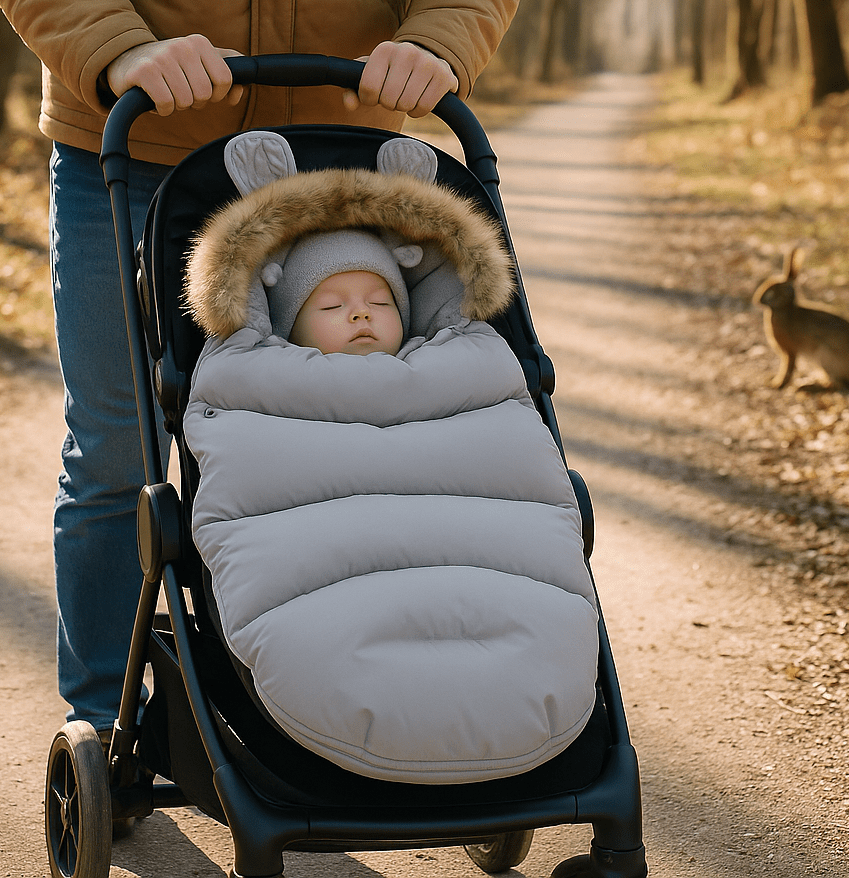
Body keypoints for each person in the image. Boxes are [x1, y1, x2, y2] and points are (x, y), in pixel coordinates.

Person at [0, 0, 541, 738]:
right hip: (134, 137)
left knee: (359, 443)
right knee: (123, 446)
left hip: (338, 148)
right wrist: (119, 46)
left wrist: (440, 38)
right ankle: (111, 720)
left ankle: (329, 712)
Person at [180, 133, 600, 784]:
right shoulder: (255, 384)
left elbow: (517, 480)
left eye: (379, 301)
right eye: (331, 304)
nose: (360, 315)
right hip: (326, 580)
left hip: (471, 570)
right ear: (289, 323)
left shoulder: (470, 371)